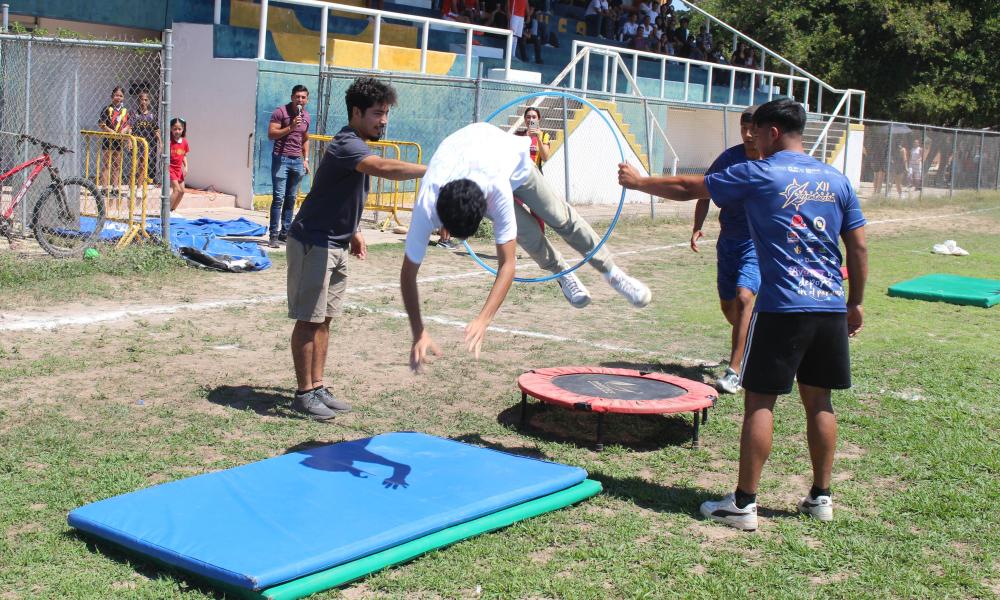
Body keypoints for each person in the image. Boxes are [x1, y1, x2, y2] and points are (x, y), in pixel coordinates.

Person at [618, 98, 868, 531]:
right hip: (829, 306)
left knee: (760, 402)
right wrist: (855, 302)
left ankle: (744, 504)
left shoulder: (760, 172)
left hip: (783, 307)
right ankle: (821, 497)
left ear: (773, 132)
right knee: (819, 401)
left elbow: (688, 187)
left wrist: (640, 183)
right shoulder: (836, 179)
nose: (750, 138)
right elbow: (859, 247)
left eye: (757, 132)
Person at [402, 122, 652, 372]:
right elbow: (407, 275)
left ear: (485, 208)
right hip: (469, 160)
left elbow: (507, 265)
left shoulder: (494, 188)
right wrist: (418, 331)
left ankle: (612, 272)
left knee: (560, 218)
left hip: (514, 164)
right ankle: (562, 273)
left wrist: (483, 319)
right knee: (530, 236)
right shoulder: (426, 203)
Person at [285, 77, 426, 419]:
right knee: (308, 320)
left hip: (335, 242)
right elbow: (383, 168)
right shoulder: (346, 144)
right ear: (357, 112)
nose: (384, 120)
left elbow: (344, 194)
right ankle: (304, 393)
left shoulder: (358, 143)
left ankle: (317, 386)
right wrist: (433, 171)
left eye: (386, 114)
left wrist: (354, 230)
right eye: (378, 113)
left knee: (325, 319)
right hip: (313, 241)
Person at [690, 105, 760, 395]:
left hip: (756, 245)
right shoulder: (729, 159)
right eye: (743, 127)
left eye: (752, 128)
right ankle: (752, 339)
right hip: (728, 242)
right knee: (729, 306)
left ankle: (734, 370)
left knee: (745, 297)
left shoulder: (773, 161)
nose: (747, 134)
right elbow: (702, 192)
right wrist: (696, 226)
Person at [268, 85, 311, 248]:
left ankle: (284, 234)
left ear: (307, 99)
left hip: (297, 161)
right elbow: (271, 134)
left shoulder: (306, 116)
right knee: (278, 198)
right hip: (281, 159)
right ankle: (273, 235)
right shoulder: (280, 112)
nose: (300, 100)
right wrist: (290, 127)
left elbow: (305, 138)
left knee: (291, 198)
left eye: (303, 97)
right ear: (292, 97)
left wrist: (305, 159)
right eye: (297, 97)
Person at [98, 86, 131, 211]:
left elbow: (128, 124)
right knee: (106, 164)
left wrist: (125, 130)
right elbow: (101, 123)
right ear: (112, 96)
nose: (118, 98)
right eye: (116, 95)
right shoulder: (107, 109)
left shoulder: (125, 111)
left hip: (119, 140)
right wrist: (110, 131)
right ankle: (105, 187)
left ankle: (115, 187)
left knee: (117, 164)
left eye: (121, 96)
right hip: (108, 139)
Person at [130, 91, 160, 186]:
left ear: (149, 101)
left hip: (147, 144)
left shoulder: (152, 115)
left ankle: (139, 187)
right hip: (137, 143)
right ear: (139, 101)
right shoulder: (134, 114)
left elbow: (156, 130)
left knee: (143, 166)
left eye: (146, 100)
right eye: (142, 99)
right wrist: (129, 141)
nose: (144, 102)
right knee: (134, 165)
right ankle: (131, 186)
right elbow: (130, 128)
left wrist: (161, 142)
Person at [168, 118, 189, 212]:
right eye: (174, 129)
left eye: (179, 129)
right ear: (171, 129)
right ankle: (165, 211)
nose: (177, 131)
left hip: (179, 170)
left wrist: (186, 167)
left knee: (182, 191)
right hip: (170, 168)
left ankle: (172, 210)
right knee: (176, 190)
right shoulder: (169, 141)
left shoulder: (184, 142)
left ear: (183, 129)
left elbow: (184, 155)